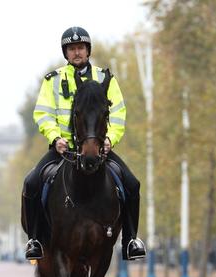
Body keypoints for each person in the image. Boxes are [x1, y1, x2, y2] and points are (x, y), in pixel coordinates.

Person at [23, 26, 146, 262]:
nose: (77, 52)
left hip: (98, 149)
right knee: (31, 183)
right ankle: (35, 239)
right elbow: (43, 113)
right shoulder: (53, 80)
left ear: (88, 51)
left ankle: (130, 240)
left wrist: (110, 140)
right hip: (64, 149)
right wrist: (54, 138)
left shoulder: (106, 79)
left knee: (132, 184)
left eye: (80, 48)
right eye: (72, 49)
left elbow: (118, 114)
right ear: (66, 53)